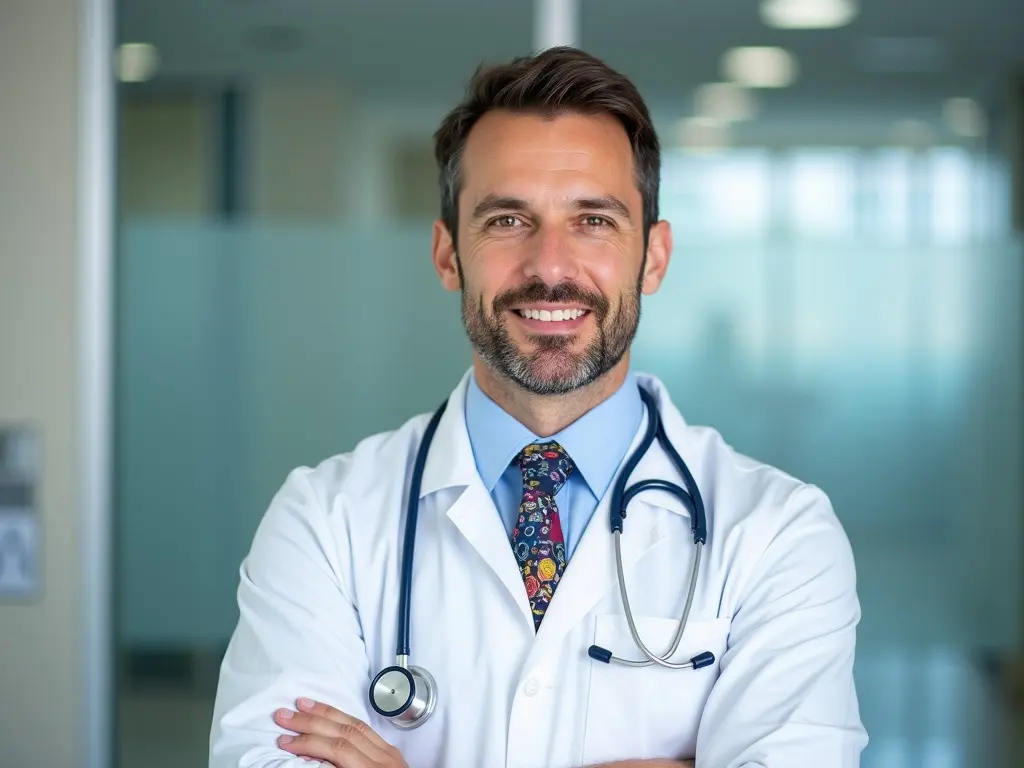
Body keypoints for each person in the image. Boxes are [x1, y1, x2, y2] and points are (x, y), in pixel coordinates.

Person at [209, 46, 867, 768]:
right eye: (507, 221)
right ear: (447, 255)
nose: (551, 266)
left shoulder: (779, 534)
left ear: (653, 256)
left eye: (593, 221)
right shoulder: (325, 522)